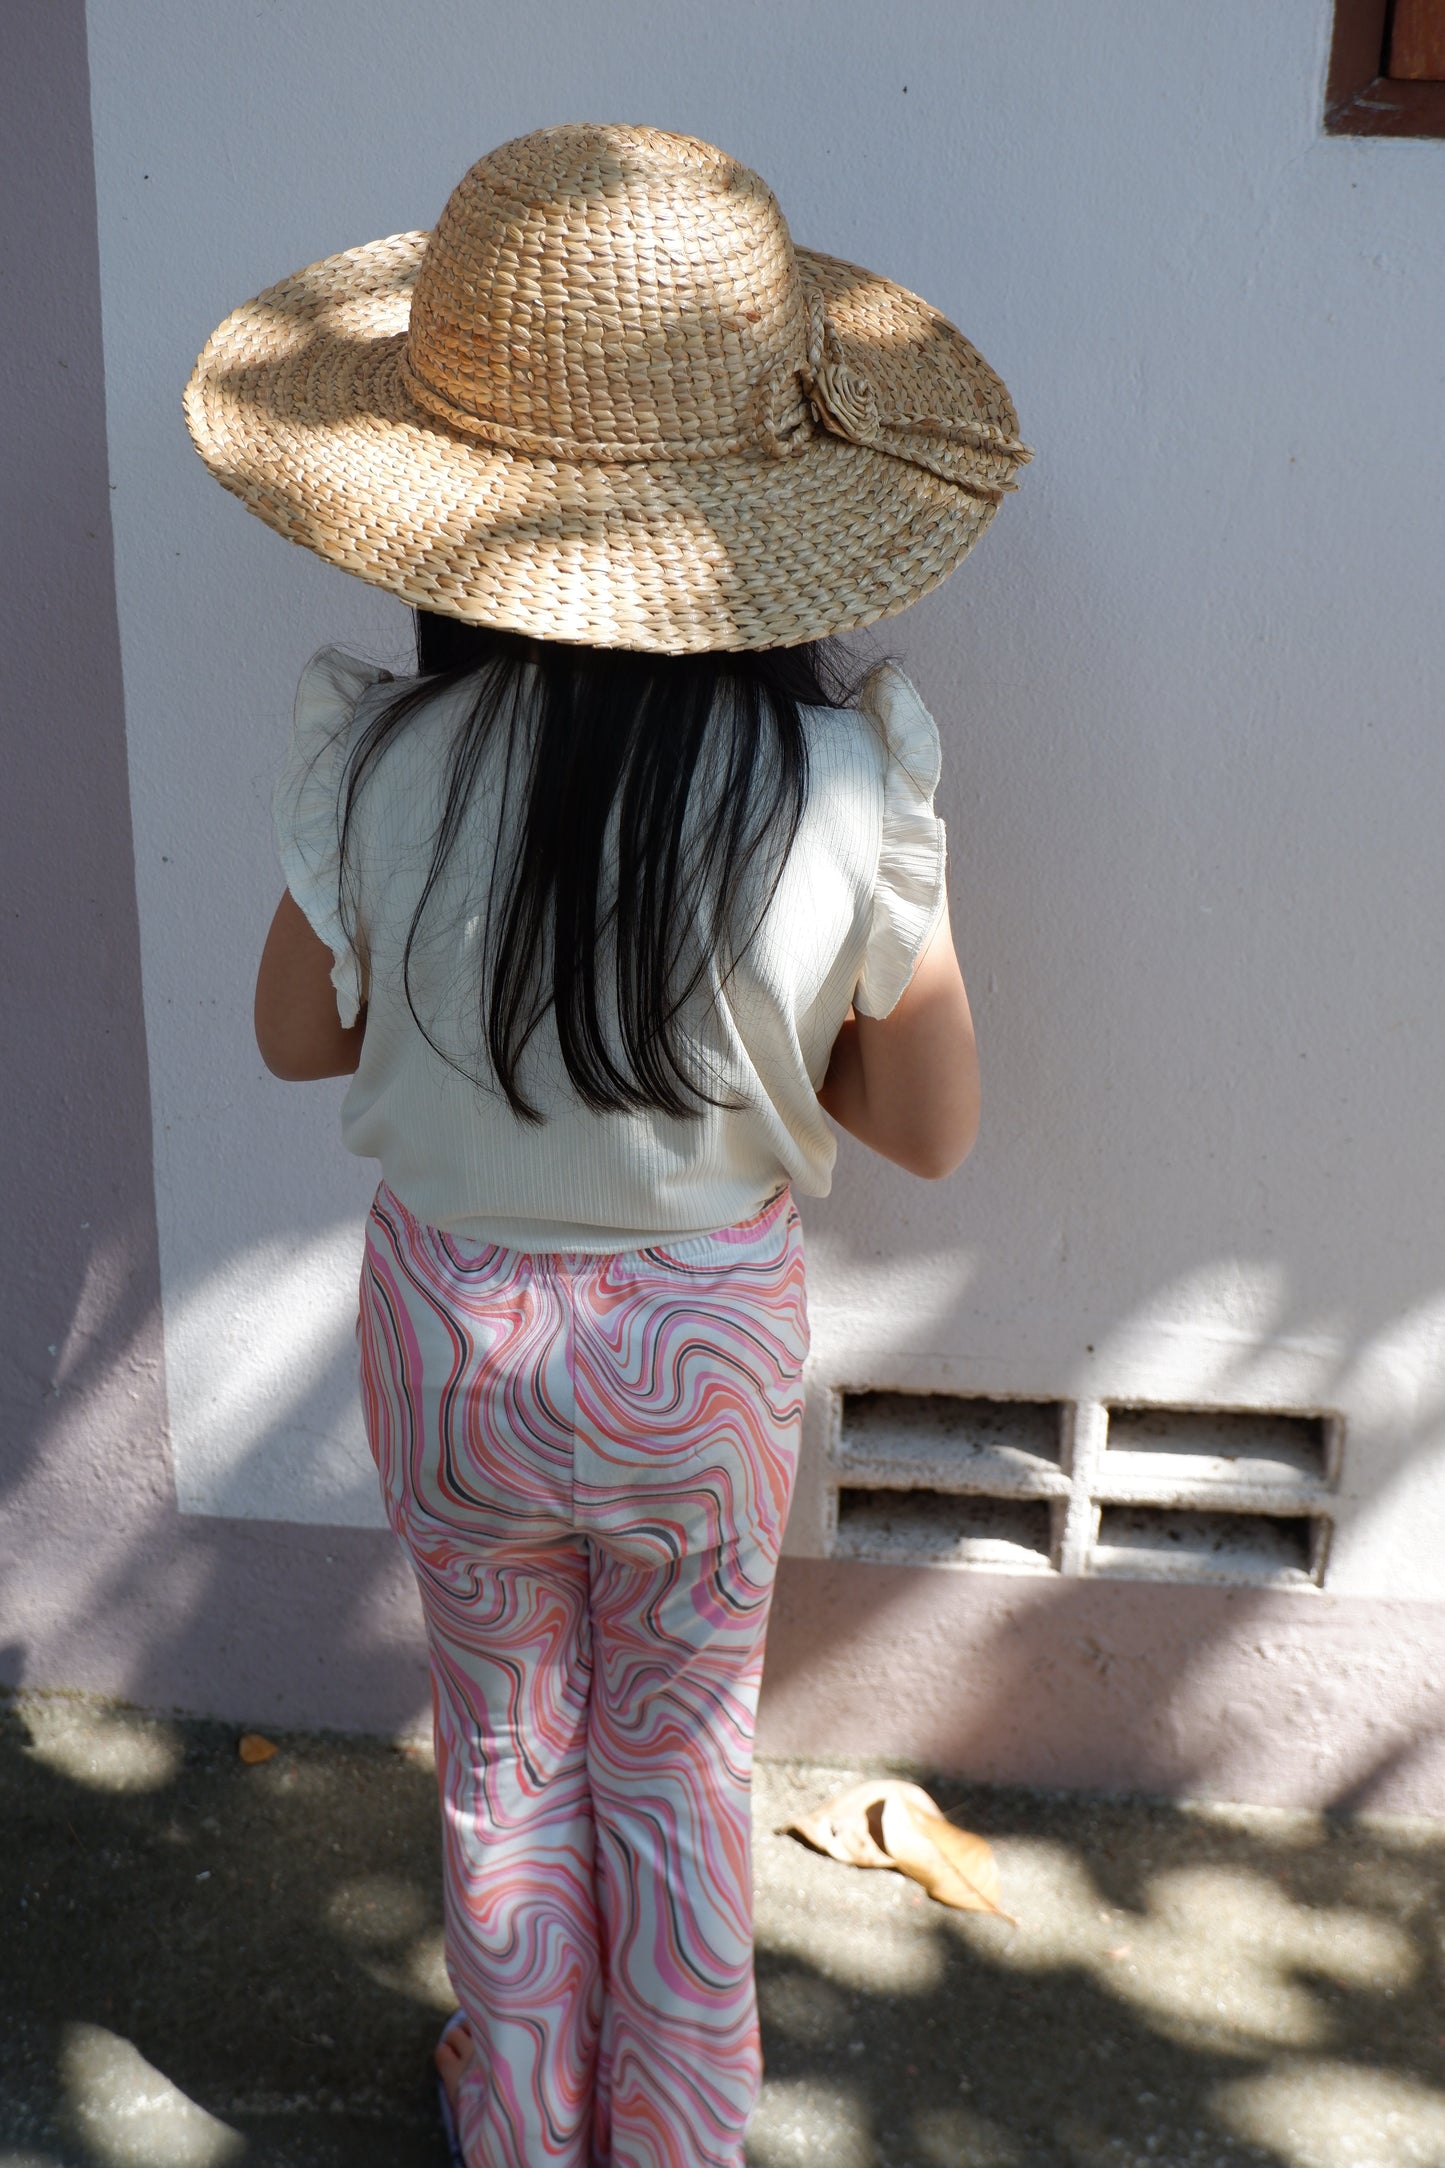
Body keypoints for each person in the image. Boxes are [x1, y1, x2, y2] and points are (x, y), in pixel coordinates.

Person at [185, 121, 1028, 2168]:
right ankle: (675, 2135)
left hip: (454, 1336)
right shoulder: (838, 782)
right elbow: (927, 1124)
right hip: (701, 1357)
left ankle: (515, 2113)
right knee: (676, 1758)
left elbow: (299, 1038)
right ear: (767, 516)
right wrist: (753, 1055)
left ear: (444, 521)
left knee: (505, 1757)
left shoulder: (375, 760)